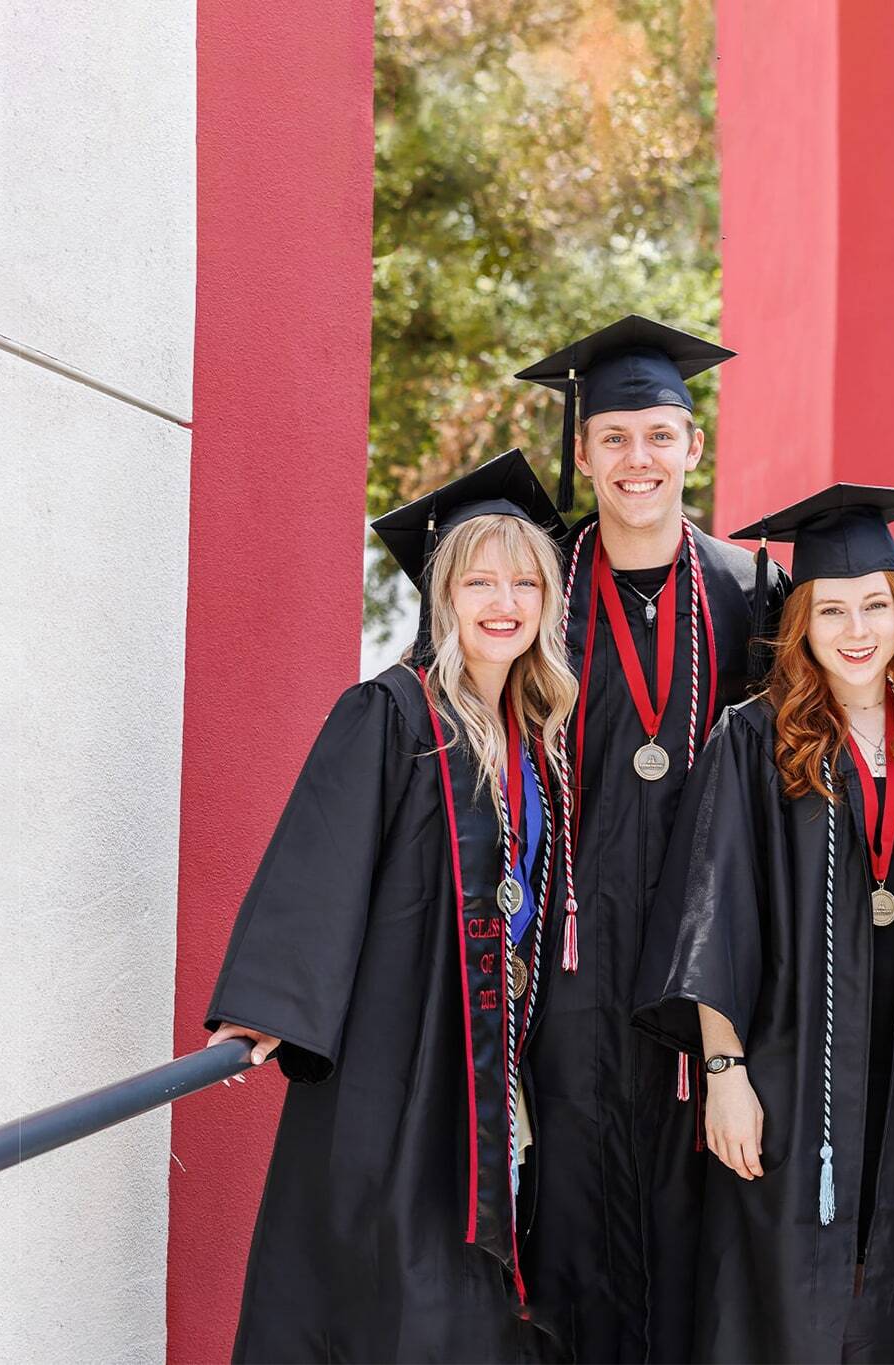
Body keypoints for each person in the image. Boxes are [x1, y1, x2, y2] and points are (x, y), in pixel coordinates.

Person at [204, 451, 574, 1360]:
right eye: (480, 579)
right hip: (401, 1053)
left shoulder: (539, 743)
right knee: (394, 1272)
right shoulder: (392, 715)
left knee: (472, 1287)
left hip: (497, 1054)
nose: (504, 601)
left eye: (525, 580)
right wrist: (269, 1005)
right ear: (444, 595)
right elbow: (319, 857)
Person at [511, 316, 785, 1360]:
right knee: (575, 1198)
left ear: (692, 446)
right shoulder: (535, 592)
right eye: (613, 438)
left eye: (657, 435)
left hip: (704, 964)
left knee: (699, 1209)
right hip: (569, 960)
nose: (637, 459)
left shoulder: (753, 593)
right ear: (581, 453)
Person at [636, 484, 894, 1361]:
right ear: (803, 624)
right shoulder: (755, 738)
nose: (856, 630)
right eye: (832, 610)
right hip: (788, 1069)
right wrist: (725, 1072)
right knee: (772, 1293)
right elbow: (714, 907)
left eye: (874, 607)